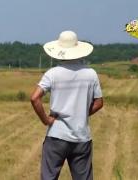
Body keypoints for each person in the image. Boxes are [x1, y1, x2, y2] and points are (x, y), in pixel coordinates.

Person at [30, 31, 103, 180]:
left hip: (56, 135)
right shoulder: (91, 74)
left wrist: (46, 120)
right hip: (82, 137)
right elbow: (99, 102)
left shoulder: (52, 73)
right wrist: (81, 114)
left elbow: (34, 98)